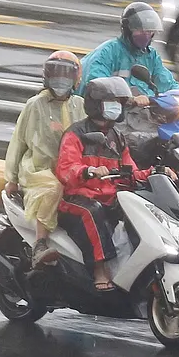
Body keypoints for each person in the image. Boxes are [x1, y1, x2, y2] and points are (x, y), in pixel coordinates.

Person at [55, 76, 152, 291]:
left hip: (109, 196)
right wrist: (87, 171)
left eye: (119, 102)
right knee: (93, 212)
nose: (116, 107)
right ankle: (100, 268)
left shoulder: (117, 138)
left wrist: (154, 173)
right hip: (76, 198)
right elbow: (66, 169)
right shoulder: (75, 134)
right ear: (96, 104)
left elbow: (130, 171)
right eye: (112, 102)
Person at [5, 50, 86, 266]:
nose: (61, 80)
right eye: (56, 74)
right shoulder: (35, 104)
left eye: (66, 74)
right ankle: (40, 244)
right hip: (39, 170)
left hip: (71, 169)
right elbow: (18, 141)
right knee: (53, 188)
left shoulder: (79, 105)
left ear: (76, 78)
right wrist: (12, 179)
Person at [78, 2, 179, 108]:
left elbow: (167, 82)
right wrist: (130, 99)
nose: (146, 35)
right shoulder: (109, 52)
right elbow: (97, 84)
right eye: (140, 30)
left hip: (143, 113)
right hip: (112, 111)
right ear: (127, 30)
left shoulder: (151, 56)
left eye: (149, 31)